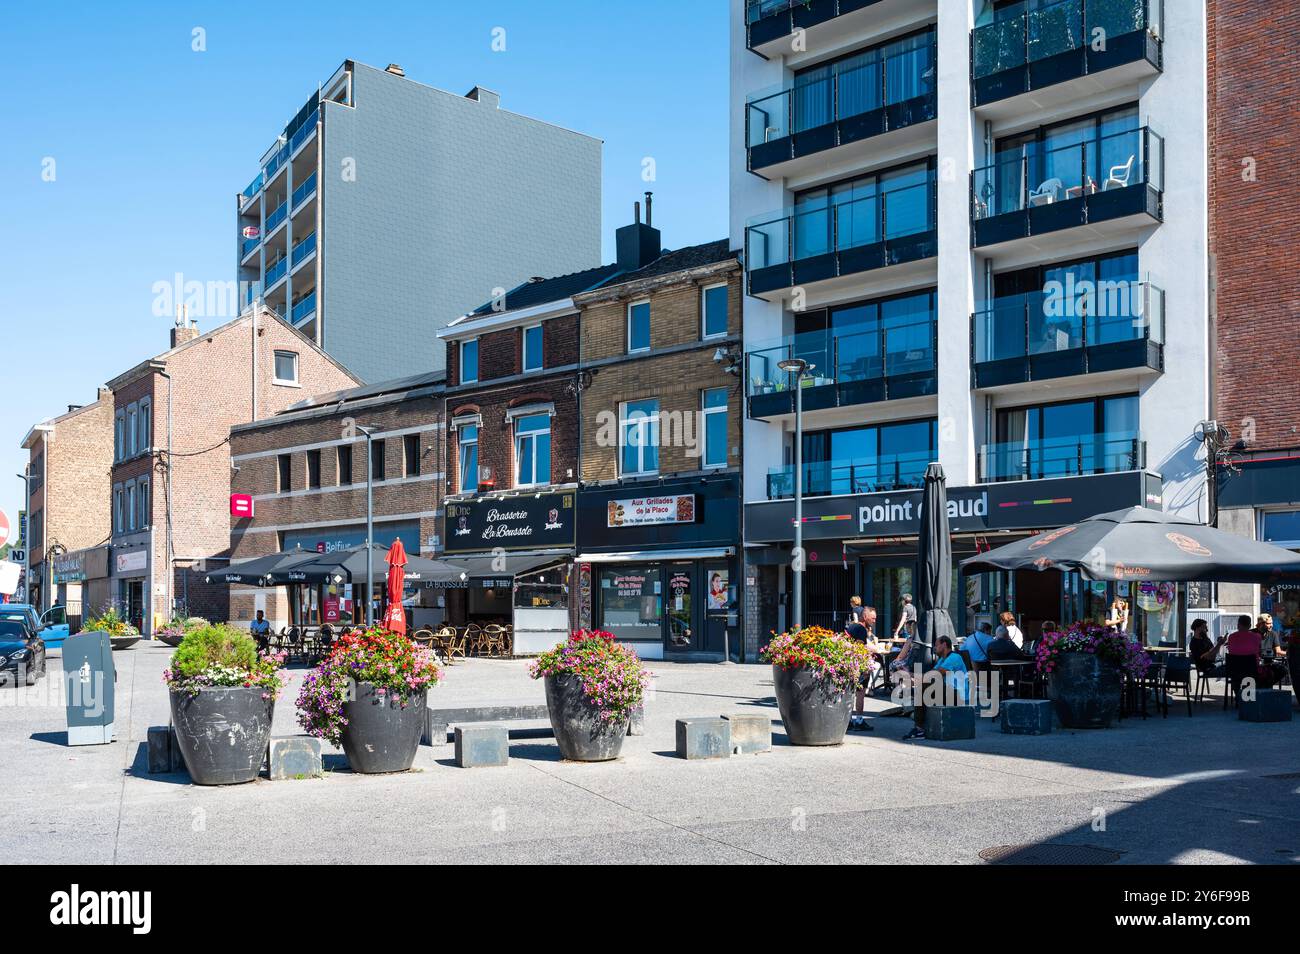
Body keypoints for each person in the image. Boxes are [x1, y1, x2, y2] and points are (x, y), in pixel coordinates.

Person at [850, 605, 878, 732]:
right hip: (858, 666)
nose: (874, 620)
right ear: (865, 617)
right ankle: (859, 721)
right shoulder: (861, 629)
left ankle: (849, 720)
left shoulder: (853, 626)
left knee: (850, 694)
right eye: (872, 618)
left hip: (849, 664)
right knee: (860, 694)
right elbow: (859, 648)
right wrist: (867, 667)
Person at [1225, 613, 1262, 701]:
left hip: (1234, 670)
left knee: (1238, 676)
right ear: (1249, 625)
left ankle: (1239, 698)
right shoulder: (1257, 637)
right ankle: (1249, 698)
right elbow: (1259, 650)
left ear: (1238, 625)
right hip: (1251, 670)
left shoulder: (1231, 637)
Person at [932, 635, 969, 705]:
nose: (935, 648)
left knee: (926, 686)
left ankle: (918, 715)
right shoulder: (942, 659)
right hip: (950, 691)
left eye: (936, 645)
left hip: (959, 694)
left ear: (944, 645)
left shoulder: (955, 657)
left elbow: (937, 673)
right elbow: (931, 673)